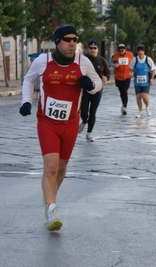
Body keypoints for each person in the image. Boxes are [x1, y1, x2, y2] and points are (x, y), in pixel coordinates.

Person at [19, 24, 102, 231]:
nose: (72, 43)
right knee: (51, 166)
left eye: (75, 39)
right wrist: (26, 101)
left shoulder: (83, 62)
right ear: (57, 42)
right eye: (67, 39)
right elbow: (28, 80)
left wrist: (91, 86)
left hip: (71, 122)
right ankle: (52, 209)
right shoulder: (42, 61)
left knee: (62, 167)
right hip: (47, 121)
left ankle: (49, 197)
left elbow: (98, 83)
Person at [79, 40, 110, 142]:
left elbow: (108, 73)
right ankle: (84, 120)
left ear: (97, 49)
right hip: (85, 89)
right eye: (90, 48)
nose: (92, 50)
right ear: (88, 49)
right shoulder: (84, 59)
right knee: (83, 110)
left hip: (98, 89)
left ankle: (89, 133)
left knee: (93, 111)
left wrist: (106, 78)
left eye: (94, 48)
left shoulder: (102, 60)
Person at [129, 45, 155, 118]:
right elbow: (131, 68)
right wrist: (131, 72)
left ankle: (147, 107)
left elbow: (153, 69)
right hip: (137, 81)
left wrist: (152, 79)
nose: (140, 52)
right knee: (138, 96)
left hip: (146, 81)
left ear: (144, 52)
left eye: (141, 51)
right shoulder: (135, 59)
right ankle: (140, 112)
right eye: (139, 51)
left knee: (144, 96)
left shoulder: (148, 59)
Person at [109, 44, 134, 115]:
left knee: (124, 91)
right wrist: (114, 65)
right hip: (118, 77)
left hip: (127, 77)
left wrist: (132, 71)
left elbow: (134, 63)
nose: (121, 52)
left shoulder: (130, 54)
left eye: (122, 50)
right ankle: (123, 103)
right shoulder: (115, 55)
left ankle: (125, 107)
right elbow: (110, 62)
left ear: (125, 49)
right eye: (120, 51)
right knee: (121, 92)